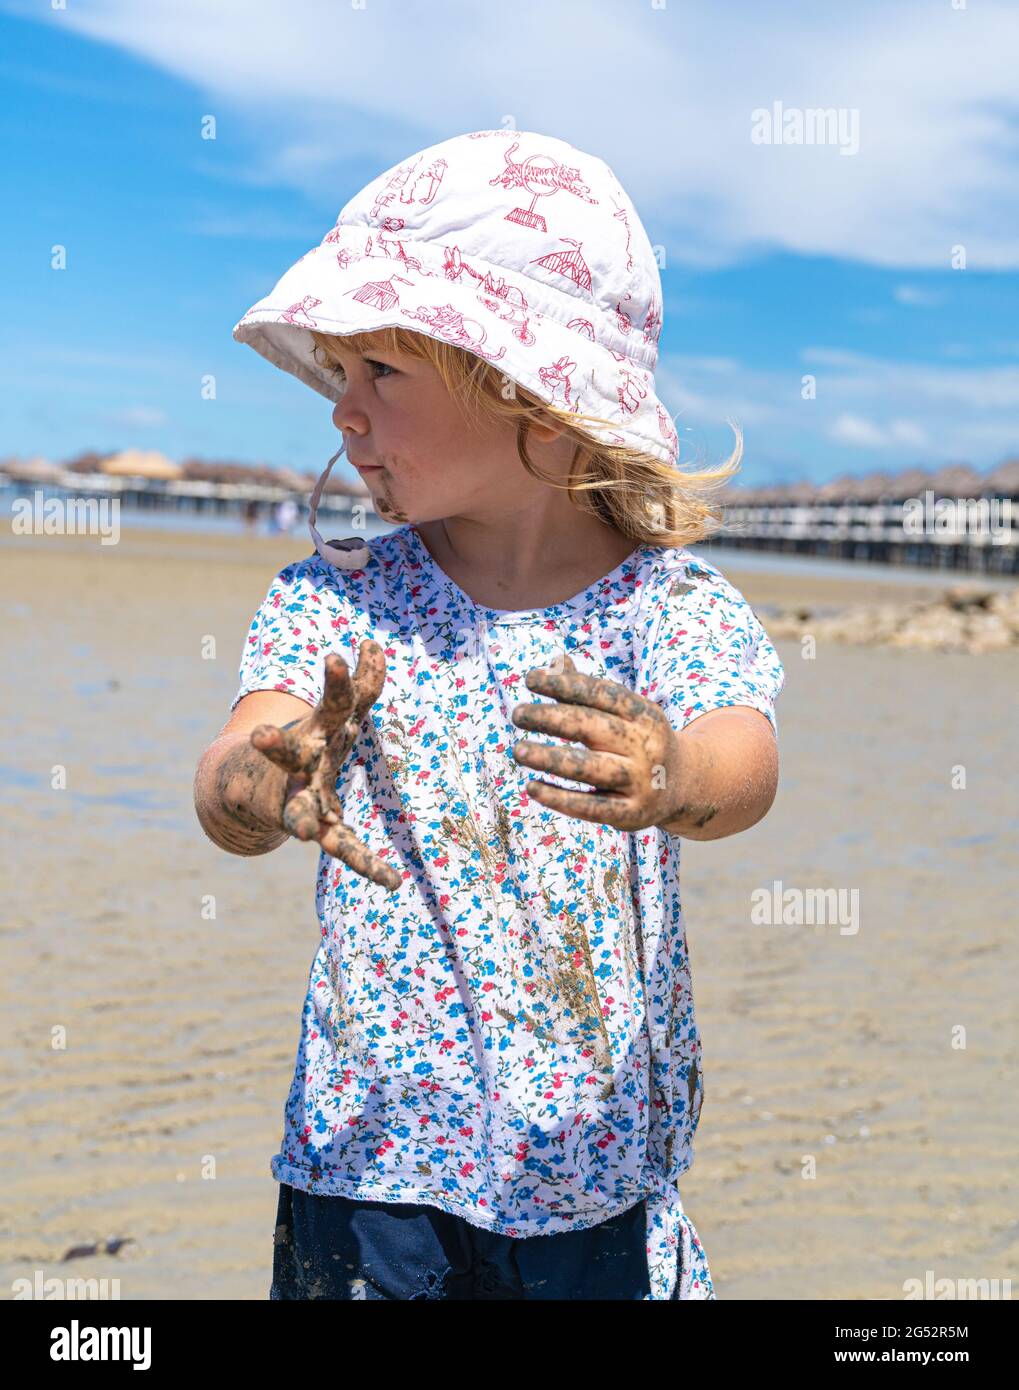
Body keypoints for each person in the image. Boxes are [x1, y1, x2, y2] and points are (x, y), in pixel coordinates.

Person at [193, 129, 785, 1300]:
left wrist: (671, 778)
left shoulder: (660, 608)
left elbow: (744, 762)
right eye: (338, 373)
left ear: (538, 399)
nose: (342, 415)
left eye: (383, 375)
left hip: (587, 1168)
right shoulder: (338, 595)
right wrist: (267, 782)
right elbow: (228, 781)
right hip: (367, 1163)